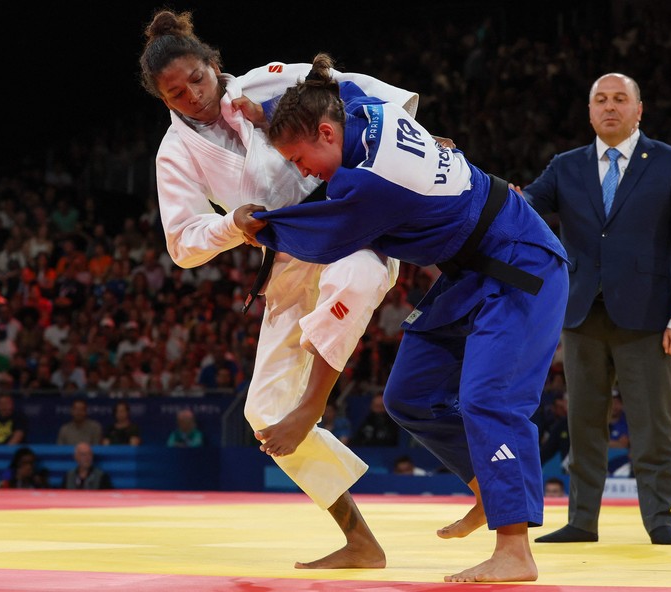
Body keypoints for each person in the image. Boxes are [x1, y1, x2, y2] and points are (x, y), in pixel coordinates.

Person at [237, 53, 569, 583]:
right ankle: (489, 487)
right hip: (470, 270)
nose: (302, 173)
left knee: (489, 399)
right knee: (409, 395)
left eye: (300, 159)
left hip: (520, 262)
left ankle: (515, 550)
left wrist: (258, 226)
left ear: (327, 133)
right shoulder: (367, 110)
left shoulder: (369, 183)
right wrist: (270, 110)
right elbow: (336, 91)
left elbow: (324, 235)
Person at [139, 10, 419, 569]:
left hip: (348, 226)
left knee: (358, 276)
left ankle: (315, 399)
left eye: (196, 77)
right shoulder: (175, 154)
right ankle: (359, 539)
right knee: (264, 413)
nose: (192, 95)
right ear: (163, 100)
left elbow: (370, 96)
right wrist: (230, 225)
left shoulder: (270, 80)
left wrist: (411, 142)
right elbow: (182, 243)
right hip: (287, 257)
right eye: (175, 93)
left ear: (213, 63)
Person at [520, 73, 671, 546]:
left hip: (649, 318)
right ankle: (582, 521)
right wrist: (465, 176)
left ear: (638, 109)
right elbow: (522, 207)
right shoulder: (565, 166)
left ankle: (660, 521)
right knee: (582, 426)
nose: (610, 107)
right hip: (582, 316)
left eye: (620, 99)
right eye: (600, 100)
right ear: (589, 112)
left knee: (653, 427)